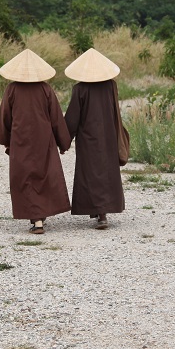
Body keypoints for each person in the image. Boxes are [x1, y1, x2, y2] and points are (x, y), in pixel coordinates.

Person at [0, 49, 71, 235]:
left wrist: (6, 140)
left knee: (25, 178)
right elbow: (56, 118)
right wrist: (63, 142)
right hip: (44, 140)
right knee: (43, 176)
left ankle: (37, 220)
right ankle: (39, 217)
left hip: (20, 140)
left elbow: (5, 117)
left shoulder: (12, 89)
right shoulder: (45, 89)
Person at [63, 48, 125, 229]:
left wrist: (64, 140)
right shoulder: (111, 86)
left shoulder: (80, 89)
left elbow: (72, 118)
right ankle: (102, 213)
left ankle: (100, 212)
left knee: (91, 174)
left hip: (88, 139)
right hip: (109, 135)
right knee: (106, 172)